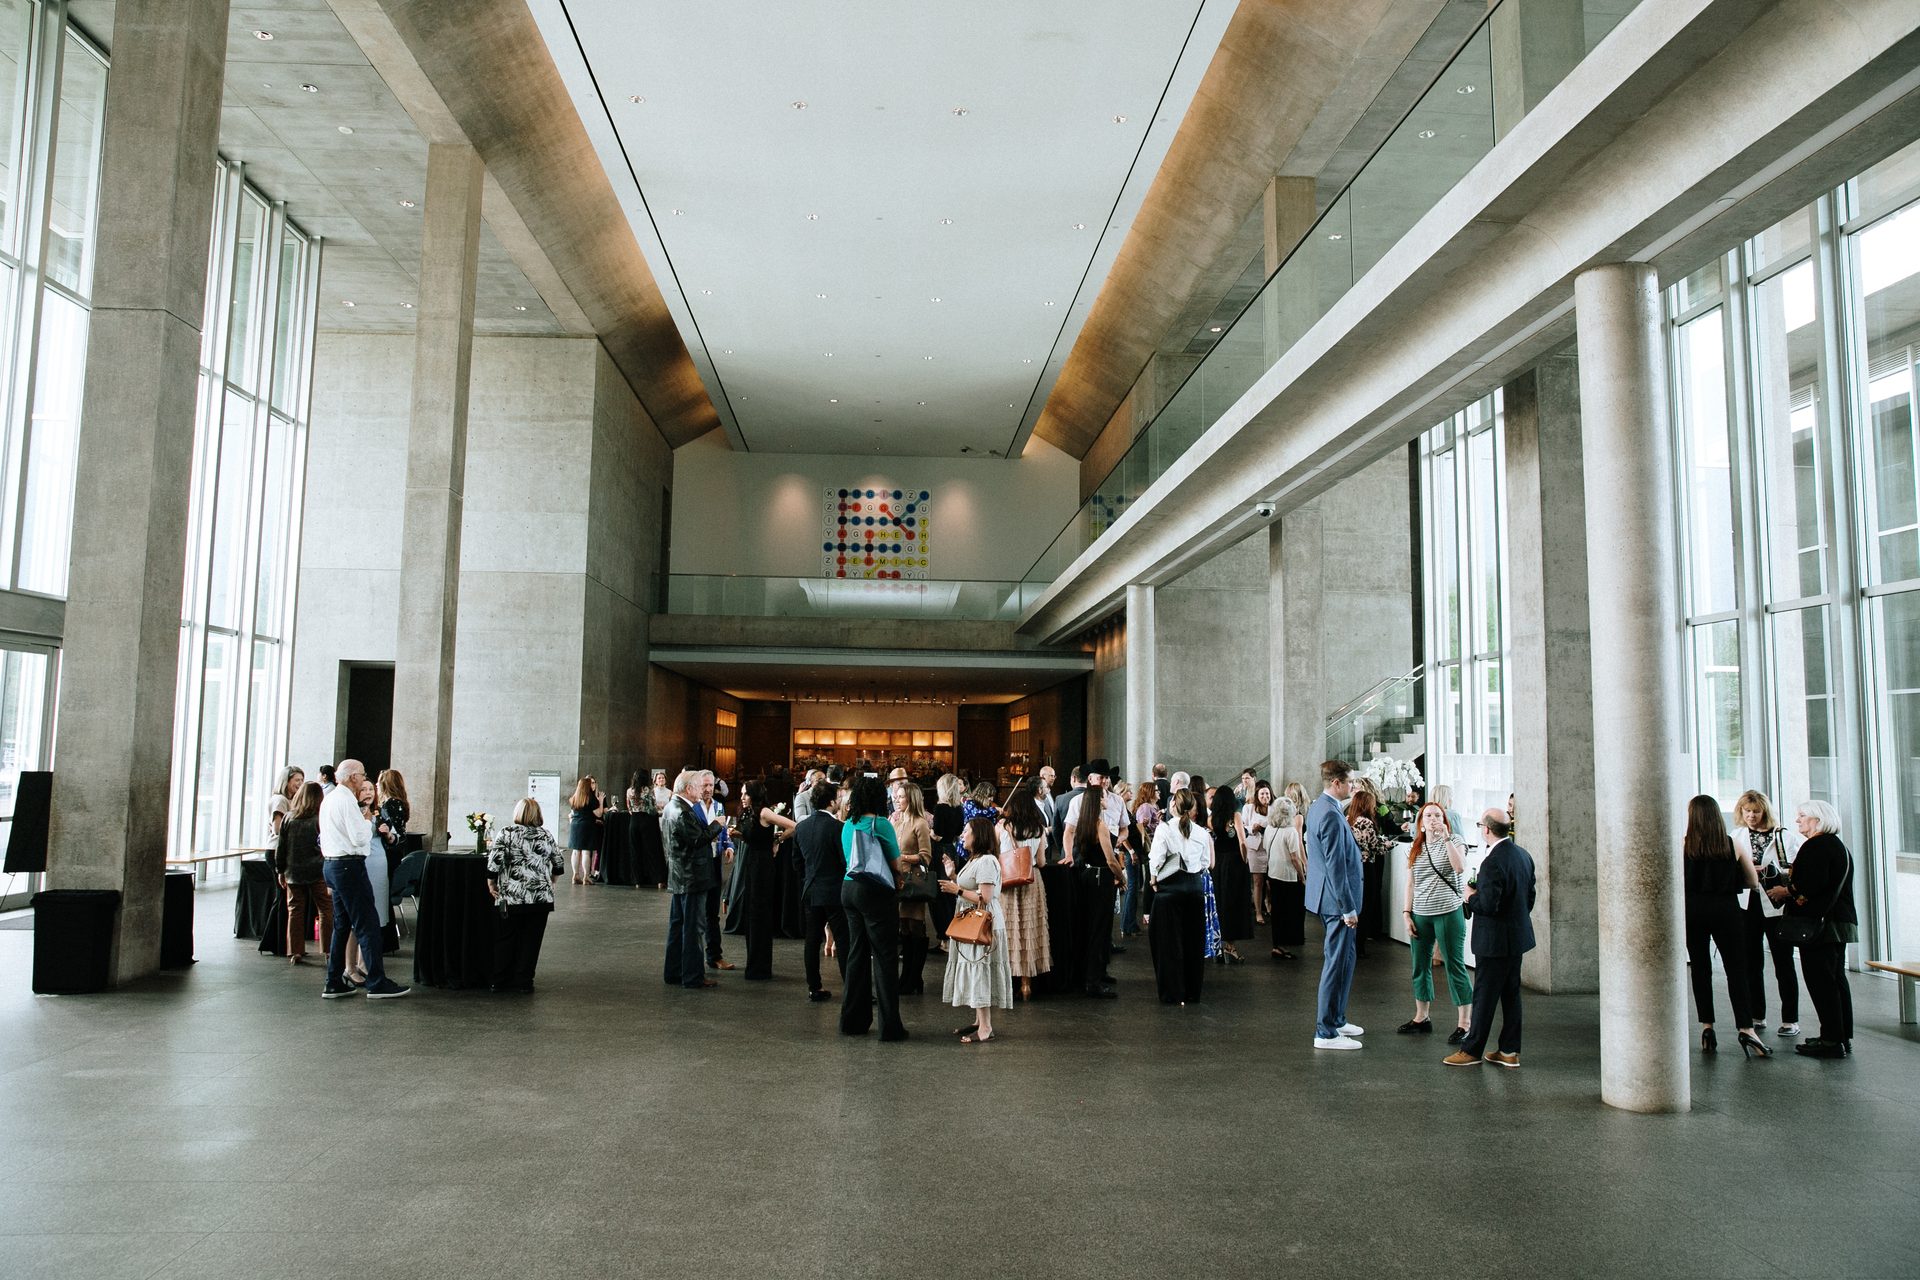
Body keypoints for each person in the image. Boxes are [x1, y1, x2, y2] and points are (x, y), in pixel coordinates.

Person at [1445, 810, 1537, 1067]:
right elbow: (1529, 897)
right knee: (1510, 994)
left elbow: (1489, 905)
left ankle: (1471, 1050)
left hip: (1494, 941)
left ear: (1486, 829)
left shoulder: (1493, 861)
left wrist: (1470, 896)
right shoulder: (1523, 855)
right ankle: (1509, 1051)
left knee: (1484, 995)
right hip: (1516, 938)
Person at [1679, 794, 1768, 1057]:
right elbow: (1753, 883)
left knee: (1700, 969)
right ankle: (1746, 1029)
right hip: (1727, 911)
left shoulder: (1683, 845)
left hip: (1693, 911)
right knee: (1736, 970)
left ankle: (1708, 1027)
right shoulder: (1733, 845)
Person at [317, 759, 409, 999]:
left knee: (342, 925)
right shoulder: (347, 800)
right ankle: (377, 982)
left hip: (332, 865)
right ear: (352, 777)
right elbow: (359, 838)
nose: (363, 779)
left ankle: (334, 980)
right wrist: (368, 824)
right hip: (349, 867)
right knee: (367, 925)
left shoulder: (330, 799)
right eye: (361, 774)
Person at [1783, 800, 1858, 1059]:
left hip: (1821, 926)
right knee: (1836, 980)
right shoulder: (1839, 847)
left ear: (1818, 819)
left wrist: (1786, 890)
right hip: (1840, 922)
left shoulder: (1815, 846)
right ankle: (1840, 1036)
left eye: (1802, 816)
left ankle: (1830, 1041)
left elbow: (1810, 885)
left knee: (1821, 982)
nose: (1798, 821)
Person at [840, 773, 910, 1041]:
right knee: (884, 956)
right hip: (875, 891)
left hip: (849, 889)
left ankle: (853, 1021)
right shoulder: (881, 824)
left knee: (856, 954)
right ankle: (890, 1027)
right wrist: (901, 876)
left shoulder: (848, 824)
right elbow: (895, 863)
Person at [1732, 789, 1802, 1037]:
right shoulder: (1736, 836)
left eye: (1756, 811)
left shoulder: (1783, 837)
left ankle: (1790, 1019)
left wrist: (1768, 870)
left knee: (1783, 963)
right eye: (1747, 811)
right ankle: (1756, 1015)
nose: (1751, 816)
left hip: (1776, 906)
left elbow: (1796, 868)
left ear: (1765, 811)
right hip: (1747, 905)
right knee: (1751, 962)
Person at [1400, 802, 1472, 1041]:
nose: (1432, 819)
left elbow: (1459, 867)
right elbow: (1411, 883)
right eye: (1427, 815)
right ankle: (1421, 1016)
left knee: (1454, 965)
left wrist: (1447, 837)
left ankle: (1465, 1022)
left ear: (1444, 819)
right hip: (1421, 913)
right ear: (1420, 823)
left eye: (1437, 815)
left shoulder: (1455, 841)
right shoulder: (1415, 847)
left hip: (1448, 912)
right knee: (1420, 966)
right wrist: (1407, 913)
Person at [1305, 760, 1364, 1049]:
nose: (1354, 786)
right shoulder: (1328, 813)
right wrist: (1347, 907)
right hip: (1336, 901)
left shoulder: (1319, 807)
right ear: (1337, 783)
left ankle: (1337, 1019)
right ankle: (1325, 1032)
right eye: (1350, 782)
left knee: (1344, 960)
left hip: (1329, 897)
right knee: (1335, 963)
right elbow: (1335, 866)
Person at [940, 816, 1013, 1043]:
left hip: (983, 927)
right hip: (973, 925)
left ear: (978, 836)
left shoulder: (987, 861)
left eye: (966, 832)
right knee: (975, 970)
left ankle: (986, 1027)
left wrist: (956, 890)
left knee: (979, 970)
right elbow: (972, 886)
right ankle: (979, 1021)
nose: (962, 835)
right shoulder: (976, 859)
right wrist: (953, 874)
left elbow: (985, 897)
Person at [485, 797, 564, 993]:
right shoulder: (546, 835)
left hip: (511, 896)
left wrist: (491, 882)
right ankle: (524, 981)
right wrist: (552, 882)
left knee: (506, 938)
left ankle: (499, 980)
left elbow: (494, 862)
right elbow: (559, 864)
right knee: (531, 941)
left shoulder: (506, 833)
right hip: (540, 898)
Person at [1064, 761, 1123, 998]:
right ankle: (1093, 980)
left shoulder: (1086, 824)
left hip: (1087, 876)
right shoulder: (1099, 826)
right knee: (1100, 929)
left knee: (1088, 926)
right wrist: (1122, 876)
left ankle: (1090, 974)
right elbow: (1110, 860)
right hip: (1101, 879)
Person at [1148, 787, 1211, 1005]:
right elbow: (1206, 863)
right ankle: (1192, 992)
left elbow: (1156, 860)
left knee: (1168, 944)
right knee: (1193, 943)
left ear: (1173, 804)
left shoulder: (1164, 829)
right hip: (1194, 889)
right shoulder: (1202, 832)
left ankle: (1172, 993)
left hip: (1170, 890)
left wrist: (1153, 879)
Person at [663, 770, 723, 990]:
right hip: (693, 877)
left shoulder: (671, 807)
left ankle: (673, 972)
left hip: (679, 875)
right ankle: (693, 976)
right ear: (689, 789)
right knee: (694, 929)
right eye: (699, 786)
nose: (703, 790)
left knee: (677, 926)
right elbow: (698, 840)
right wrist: (717, 824)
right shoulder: (683, 811)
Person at [737, 777, 798, 981]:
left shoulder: (764, 812)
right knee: (752, 914)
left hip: (763, 865)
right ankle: (754, 964)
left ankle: (760, 967)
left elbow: (793, 826)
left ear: (754, 794)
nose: (742, 797)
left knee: (760, 915)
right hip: (752, 863)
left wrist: (777, 840)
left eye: (746, 793)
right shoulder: (748, 812)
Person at [997, 781, 1052, 1001]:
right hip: (1031, 881)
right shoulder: (1038, 829)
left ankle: (1006, 982)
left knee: (1009, 931)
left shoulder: (1003, 827)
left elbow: (996, 855)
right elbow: (1041, 861)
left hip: (1009, 882)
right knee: (1029, 930)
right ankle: (1027, 985)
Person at [794, 778, 847, 1002]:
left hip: (811, 890)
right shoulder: (838, 828)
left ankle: (814, 987)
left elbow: (796, 862)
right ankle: (851, 987)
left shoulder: (801, 827)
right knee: (845, 941)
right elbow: (845, 861)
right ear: (832, 802)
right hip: (834, 891)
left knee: (812, 941)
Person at [273, 781, 331, 965]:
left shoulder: (289, 818)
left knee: (295, 911)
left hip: (293, 872)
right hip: (318, 871)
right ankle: (328, 950)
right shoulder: (320, 818)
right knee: (325, 910)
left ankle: (295, 951)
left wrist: (280, 870)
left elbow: (280, 848)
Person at [890, 778, 936, 994]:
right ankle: (906, 976)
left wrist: (903, 857)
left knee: (916, 928)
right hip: (898, 882)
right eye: (896, 796)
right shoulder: (896, 822)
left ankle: (914, 977)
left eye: (901, 797)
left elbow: (926, 856)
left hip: (914, 883)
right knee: (904, 929)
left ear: (911, 799)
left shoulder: (920, 823)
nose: (897, 800)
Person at [1346, 787, 1394, 956]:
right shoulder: (1365, 822)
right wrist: (1388, 845)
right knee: (1366, 905)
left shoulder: (1349, 820)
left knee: (1357, 904)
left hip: (1354, 866)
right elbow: (1375, 846)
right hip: (1367, 866)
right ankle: (1359, 946)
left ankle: (1353, 944)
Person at [1209, 783, 1250, 961]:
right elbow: (1242, 841)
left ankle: (1217, 946)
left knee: (1219, 901)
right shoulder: (1235, 816)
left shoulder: (1211, 819)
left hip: (1218, 861)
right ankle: (1230, 947)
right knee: (1234, 903)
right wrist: (1245, 860)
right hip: (1234, 861)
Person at [1265, 796, 1306, 960]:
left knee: (1277, 911)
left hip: (1272, 872)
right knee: (1291, 910)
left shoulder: (1269, 828)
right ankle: (1287, 942)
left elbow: (1265, 848)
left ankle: (1277, 944)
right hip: (1288, 876)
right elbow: (1295, 858)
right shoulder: (1291, 832)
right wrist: (1302, 877)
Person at [931, 774, 967, 953]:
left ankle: (944, 938)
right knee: (951, 894)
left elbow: (936, 834)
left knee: (939, 895)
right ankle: (953, 933)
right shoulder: (959, 808)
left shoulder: (940, 808)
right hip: (953, 850)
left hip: (939, 852)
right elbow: (959, 831)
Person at [373, 768, 407, 930]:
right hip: (395, 851)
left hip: (389, 853)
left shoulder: (390, 804)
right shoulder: (399, 803)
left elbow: (390, 832)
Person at [1238, 780, 1275, 926]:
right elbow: (1243, 825)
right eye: (1262, 793)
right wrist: (1252, 828)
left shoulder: (1274, 807)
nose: (1265, 796)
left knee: (1271, 881)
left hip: (1271, 847)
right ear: (1257, 795)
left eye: (1267, 793)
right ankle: (1258, 912)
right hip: (1255, 847)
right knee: (1258, 881)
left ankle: (1269, 904)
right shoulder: (1249, 808)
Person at [567, 776, 601, 885]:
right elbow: (598, 814)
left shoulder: (574, 798)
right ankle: (586, 876)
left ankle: (575, 875)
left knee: (576, 851)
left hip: (575, 825)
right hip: (587, 825)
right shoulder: (591, 798)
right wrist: (600, 801)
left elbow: (571, 813)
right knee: (586, 851)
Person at [269, 766, 305, 839]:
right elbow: (277, 830)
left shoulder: (292, 800)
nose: (301, 783)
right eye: (297, 780)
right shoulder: (280, 800)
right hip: (277, 847)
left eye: (302, 780)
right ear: (286, 781)